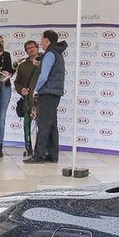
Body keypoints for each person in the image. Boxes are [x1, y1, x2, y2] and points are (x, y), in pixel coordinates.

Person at [28, 30, 68, 164]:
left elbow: (44, 76)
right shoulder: (57, 53)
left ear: (47, 40)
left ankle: (38, 155)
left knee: (43, 125)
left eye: (42, 39)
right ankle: (52, 155)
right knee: (51, 125)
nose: (41, 42)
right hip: (55, 92)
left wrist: (35, 89)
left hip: (47, 92)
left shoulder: (50, 54)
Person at [13, 40, 42, 158]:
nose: (31, 50)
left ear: (37, 48)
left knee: (43, 125)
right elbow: (17, 82)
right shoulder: (23, 66)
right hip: (28, 101)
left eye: (33, 47)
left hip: (42, 98)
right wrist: (21, 90)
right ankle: (29, 148)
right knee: (28, 125)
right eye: (28, 48)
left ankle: (42, 150)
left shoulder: (45, 61)